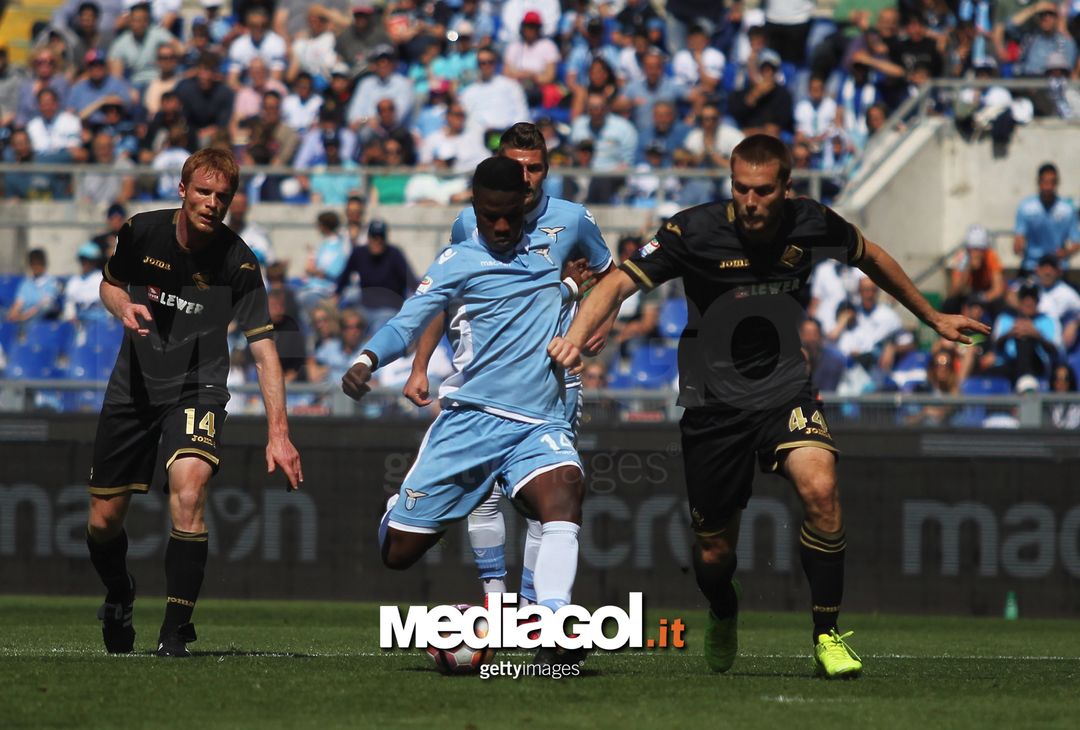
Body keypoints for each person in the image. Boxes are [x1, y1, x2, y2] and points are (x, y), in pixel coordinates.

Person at [547, 135, 988, 678]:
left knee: (821, 489)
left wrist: (932, 317)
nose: (750, 201)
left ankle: (827, 634)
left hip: (784, 388)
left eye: (762, 190)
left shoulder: (811, 222)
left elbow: (869, 255)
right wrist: (575, 336)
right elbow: (617, 282)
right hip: (713, 407)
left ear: (786, 187)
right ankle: (723, 608)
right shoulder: (695, 229)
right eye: (740, 189)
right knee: (714, 556)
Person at [341, 157, 597, 665]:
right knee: (398, 555)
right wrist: (366, 359)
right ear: (475, 209)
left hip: (537, 422)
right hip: (469, 423)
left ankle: (553, 625)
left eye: (510, 215)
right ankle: (400, 510)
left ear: (525, 205)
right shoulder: (456, 259)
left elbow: (569, 288)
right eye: (489, 216)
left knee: (565, 489)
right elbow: (405, 323)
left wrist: (575, 292)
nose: (501, 227)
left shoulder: (552, 248)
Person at [85, 148, 303, 658]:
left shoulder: (239, 262)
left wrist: (279, 432)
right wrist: (124, 307)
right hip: (134, 386)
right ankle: (119, 596)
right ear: (183, 190)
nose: (211, 203)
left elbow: (265, 352)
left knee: (189, 489)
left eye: (222, 196)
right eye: (203, 192)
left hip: (197, 386)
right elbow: (109, 285)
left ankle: (174, 629)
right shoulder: (141, 231)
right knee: (102, 521)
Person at [403, 122, 613, 608]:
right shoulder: (468, 222)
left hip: (553, 379)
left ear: (547, 169)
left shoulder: (572, 219)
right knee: (484, 488)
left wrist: (595, 323)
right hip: (486, 379)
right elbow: (445, 296)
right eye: (516, 167)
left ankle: (538, 607)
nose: (526, 177)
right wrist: (420, 365)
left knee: (549, 494)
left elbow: (610, 276)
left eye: (535, 168)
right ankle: (497, 600)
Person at [334, 219, 418, 331]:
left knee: (378, 332)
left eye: (380, 237)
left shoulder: (394, 254)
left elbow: (412, 281)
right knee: (347, 325)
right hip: (364, 308)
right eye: (373, 237)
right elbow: (344, 277)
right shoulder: (359, 253)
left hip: (389, 310)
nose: (377, 241)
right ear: (368, 238)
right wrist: (336, 296)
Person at [1014, 163, 1079, 277]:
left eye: (1052, 182)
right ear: (1039, 182)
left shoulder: (1067, 210)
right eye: (1045, 182)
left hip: (1057, 267)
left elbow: (1077, 242)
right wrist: (1018, 246)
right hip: (1032, 266)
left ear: (1057, 183)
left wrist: (1065, 253)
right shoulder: (1026, 207)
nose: (1048, 187)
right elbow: (1019, 236)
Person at [944, 225, 1006, 315]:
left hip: (985, 294)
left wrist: (980, 299)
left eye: (979, 249)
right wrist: (967, 269)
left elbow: (998, 290)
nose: (976, 253)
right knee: (950, 303)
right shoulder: (962, 258)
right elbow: (955, 291)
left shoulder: (991, 256)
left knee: (999, 303)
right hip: (970, 294)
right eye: (973, 249)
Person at [6, 248, 62, 323]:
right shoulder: (26, 284)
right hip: (23, 317)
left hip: (40, 318)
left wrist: (24, 317)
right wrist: (13, 313)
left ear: (44, 264)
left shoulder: (52, 282)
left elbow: (43, 306)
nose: (36, 266)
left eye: (39, 263)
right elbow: (18, 303)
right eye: (33, 263)